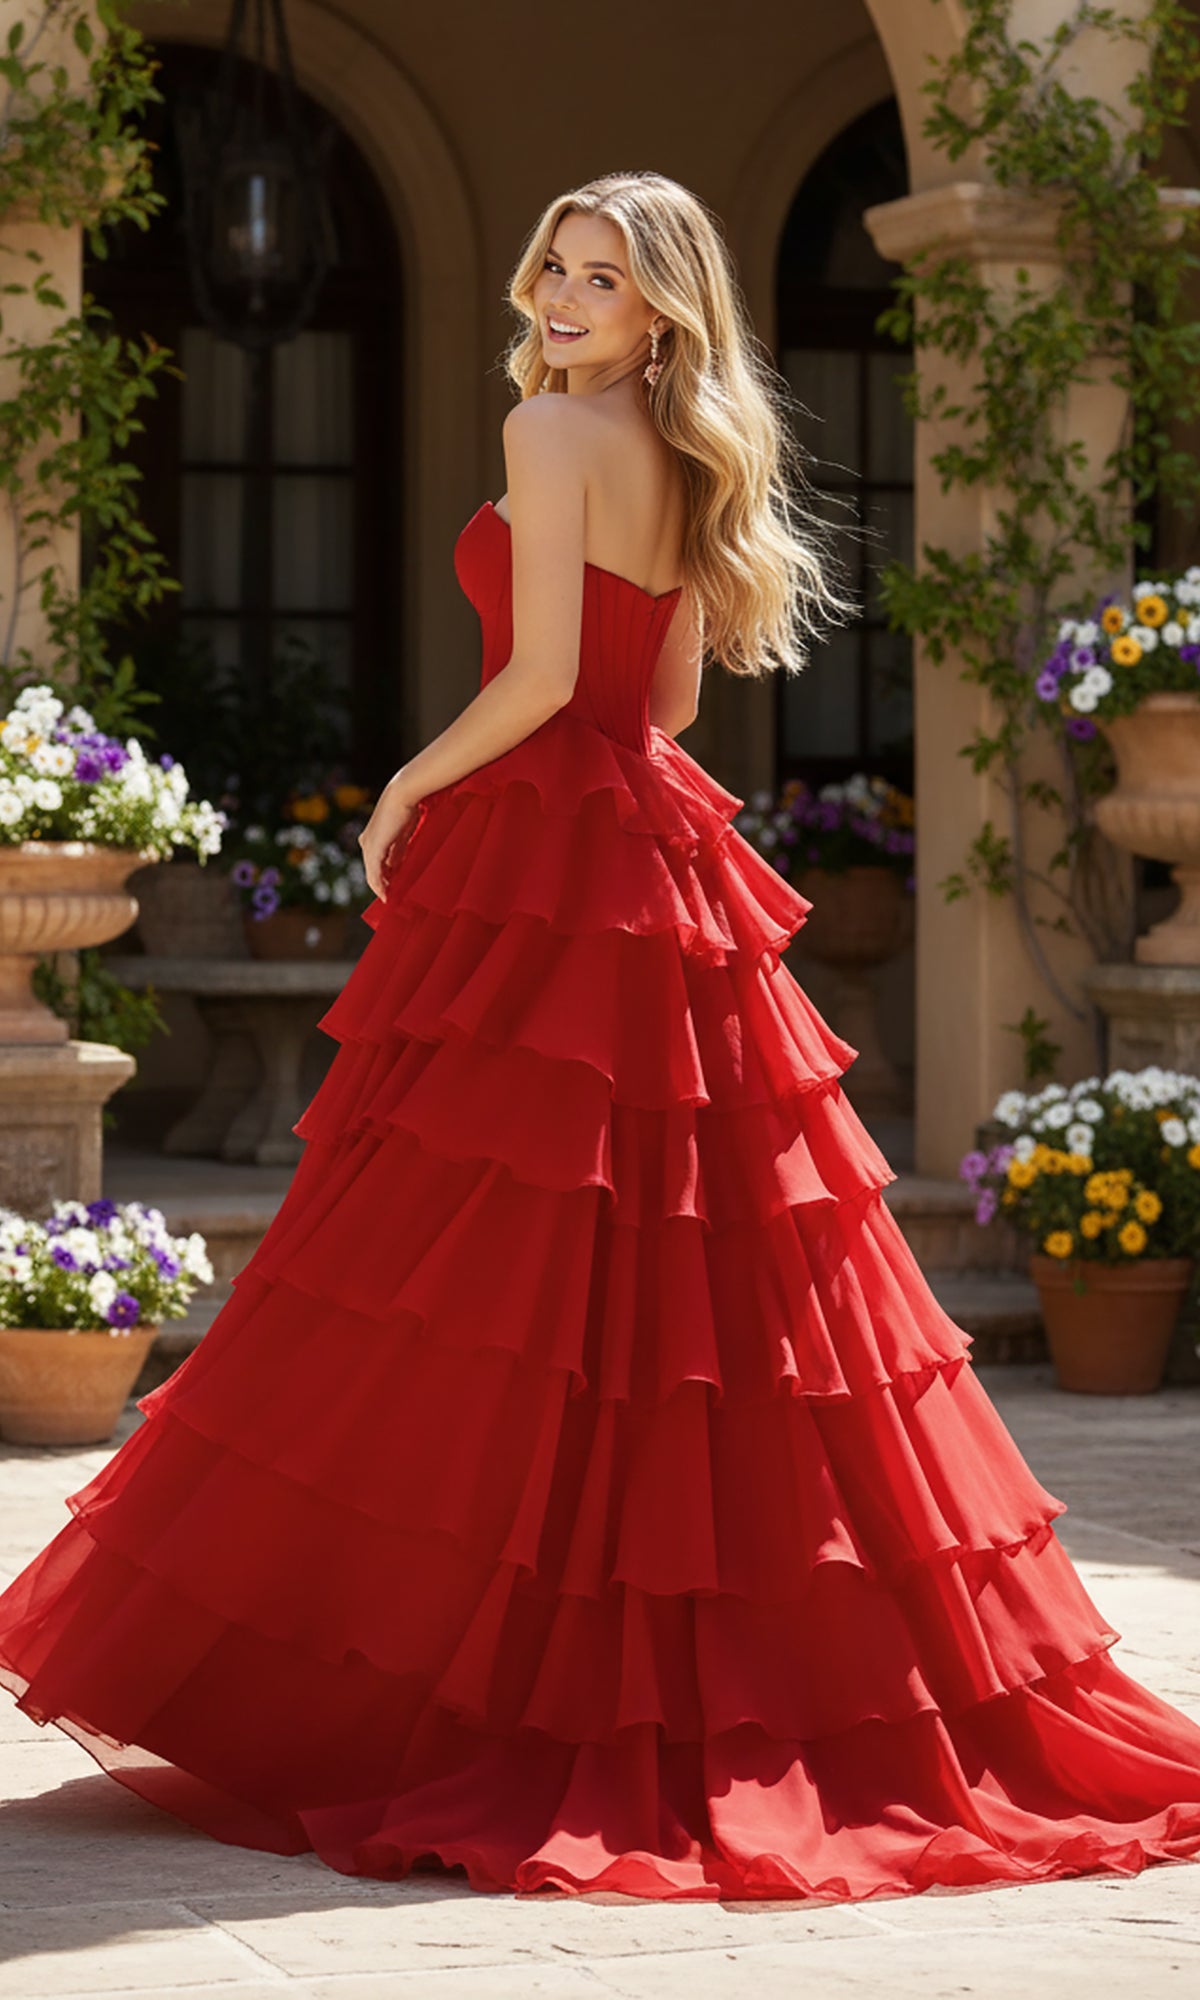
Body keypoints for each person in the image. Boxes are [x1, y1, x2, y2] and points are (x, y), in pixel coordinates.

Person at [3, 170, 1200, 1904]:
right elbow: (670, 706)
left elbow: (549, 675)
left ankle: (465, 1671)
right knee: (674, 1273)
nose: (564, 298)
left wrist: (410, 782)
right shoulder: (687, 449)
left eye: (604, 278)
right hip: (652, 844)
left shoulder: (550, 435)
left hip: (550, 850)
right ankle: (649, 1667)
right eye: (556, 267)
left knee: (469, 1257)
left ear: (660, 310)